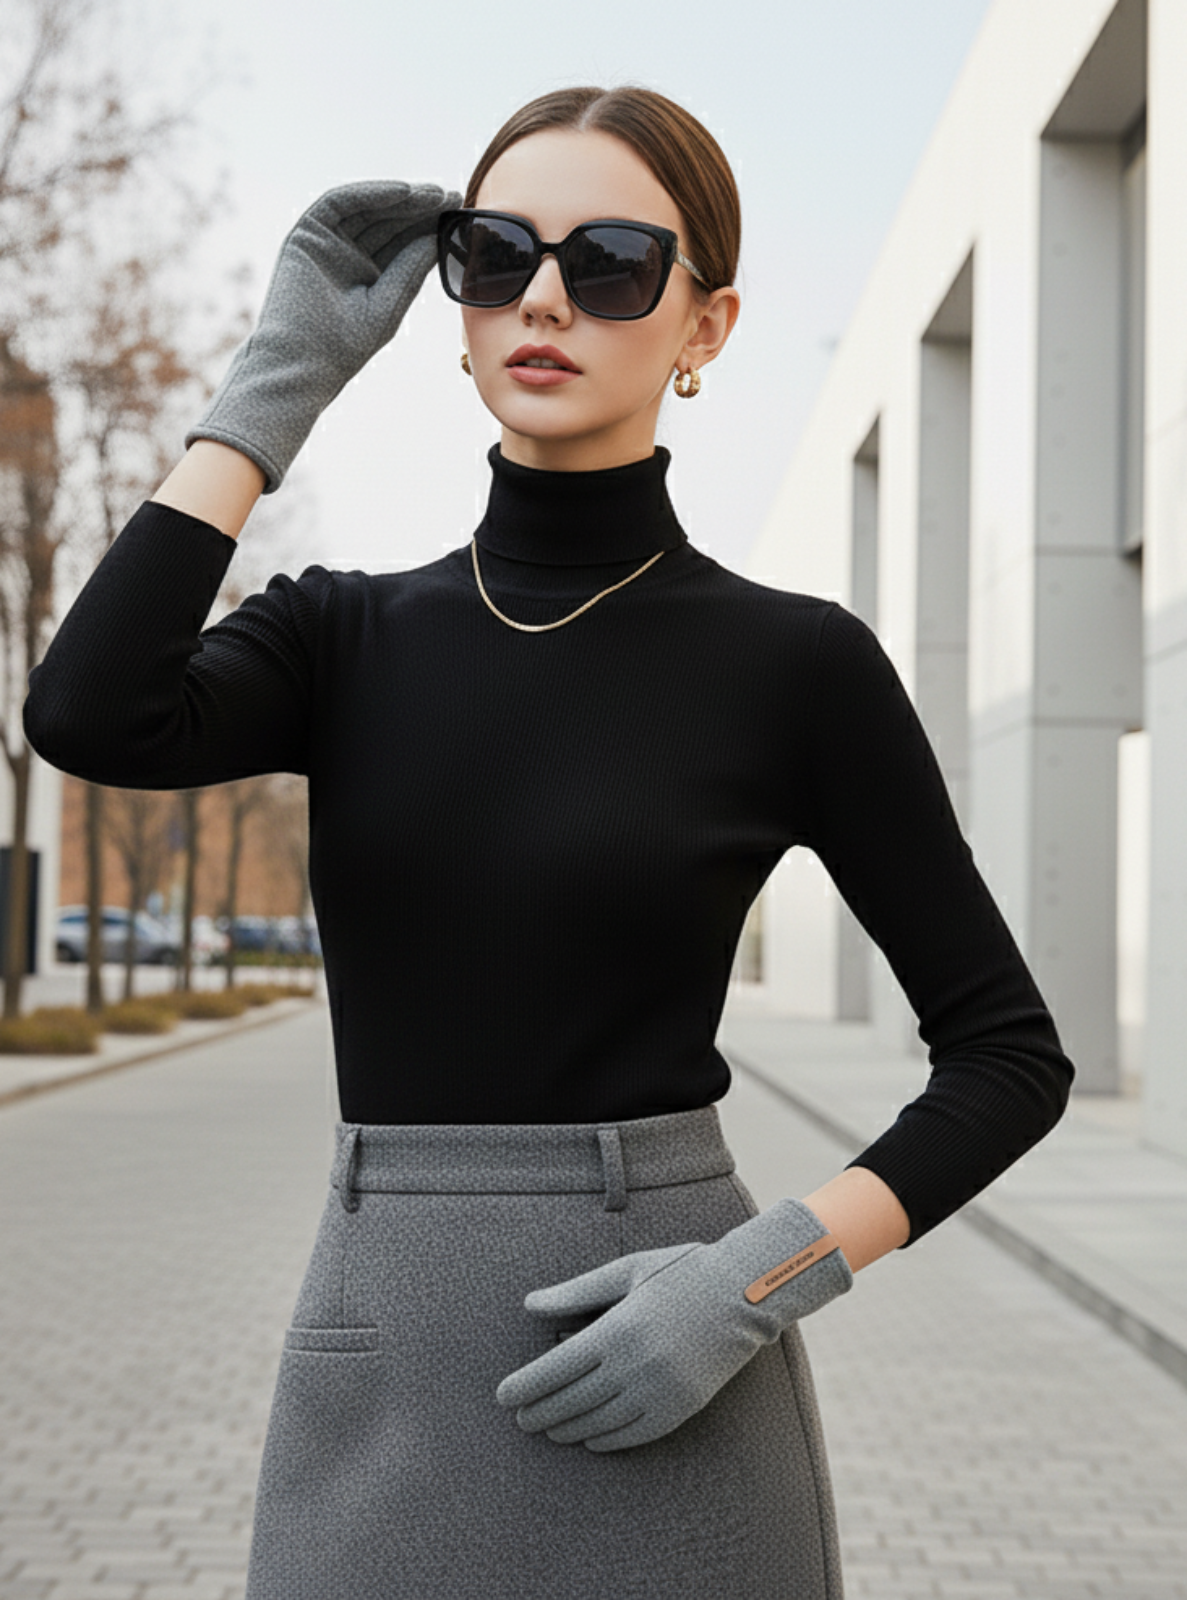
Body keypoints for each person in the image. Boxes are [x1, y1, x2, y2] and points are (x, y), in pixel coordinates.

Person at [22, 86, 1075, 1600]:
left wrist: (758, 1282)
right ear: (449, 307)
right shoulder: (342, 634)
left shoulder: (793, 664)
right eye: (494, 252)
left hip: (678, 1343)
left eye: (610, 265)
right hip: (381, 1342)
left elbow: (1005, 1057)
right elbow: (85, 713)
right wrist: (275, 387)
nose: (542, 298)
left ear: (704, 327)